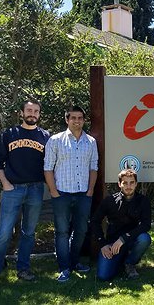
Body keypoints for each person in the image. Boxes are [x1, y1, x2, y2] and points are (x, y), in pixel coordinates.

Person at [0, 100, 50, 291]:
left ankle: (23, 269)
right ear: (22, 113)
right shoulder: (9, 134)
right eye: (29, 110)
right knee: (4, 234)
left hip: (36, 190)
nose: (32, 113)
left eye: (36, 111)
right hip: (13, 189)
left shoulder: (45, 136)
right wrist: (5, 183)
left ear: (39, 114)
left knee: (28, 232)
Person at [44, 105, 98, 282]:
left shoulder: (90, 142)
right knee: (62, 231)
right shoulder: (55, 141)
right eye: (73, 118)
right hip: (62, 194)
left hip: (83, 194)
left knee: (81, 229)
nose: (77, 121)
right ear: (67, 120)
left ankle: (75, 262)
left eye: (80, 118)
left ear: (84, 120)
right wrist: (53, 191)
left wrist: (90, 190)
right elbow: (48, 168)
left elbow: (93, 167)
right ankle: (64, 267)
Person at [91, 169, 151, 281]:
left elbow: (146, 225)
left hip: (132, 240)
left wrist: (124, 238)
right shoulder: (109, 201)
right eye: (125, 183)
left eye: (132, 182)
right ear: (119, 184)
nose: (129, 186)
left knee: (144, 238)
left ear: (136, 184)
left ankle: (129, 263)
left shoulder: (143, 201)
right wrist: (103, 244)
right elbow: (95, 221)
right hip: (112, 244)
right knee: (103, 276)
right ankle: (120, 261)